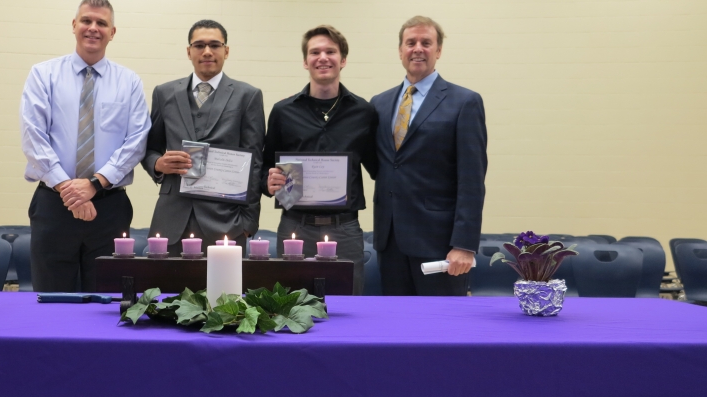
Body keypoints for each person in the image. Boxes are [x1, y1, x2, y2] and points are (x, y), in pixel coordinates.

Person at [20, 0, 150, 291]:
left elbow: (136, 141)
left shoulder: (128, 82)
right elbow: (33, 137)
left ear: (112, 32)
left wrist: (93, 184)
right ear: (74, 25)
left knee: (107, 304)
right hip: (54, 205)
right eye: (87, 21)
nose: (93, 28)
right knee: (51, 302)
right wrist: (69, 190)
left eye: (102, 23)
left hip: (109, 208)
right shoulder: (43, 75)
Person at [371, 16, 487, 296]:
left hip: (440, 244)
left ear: (439, 50)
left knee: (443, 331)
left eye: (426, 42)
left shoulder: (464, 102)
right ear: (400, 51)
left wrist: (464, 244)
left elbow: (472, 179)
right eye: (410, 43)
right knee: (397, 329)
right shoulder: (379, 104)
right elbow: (381, 165)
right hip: (391, 241)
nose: (418, 49)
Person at [264, 25, 378, 295]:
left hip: (345, 229)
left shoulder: (364, 112)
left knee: (349, 308)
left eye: (331, 51)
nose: (323, 57)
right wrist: (268, 182)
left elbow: (379, 168)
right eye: (315, 52)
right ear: (305, 61)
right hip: (295, 227)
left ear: (343, 60)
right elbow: (265, 167)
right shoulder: (283, 111)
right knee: (288, 306)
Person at [142, 20, 264, 254]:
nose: (207, 51)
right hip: (171, 219)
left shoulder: (247, 96)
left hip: (226, 222)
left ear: (226, 51)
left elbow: (255, 162)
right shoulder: (164, 93)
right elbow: (149, 149)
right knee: (167, 290)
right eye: (199, 45)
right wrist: (158, 164)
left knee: (224, 292)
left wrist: (248, 223)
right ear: (189, 51)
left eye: (215, 45)